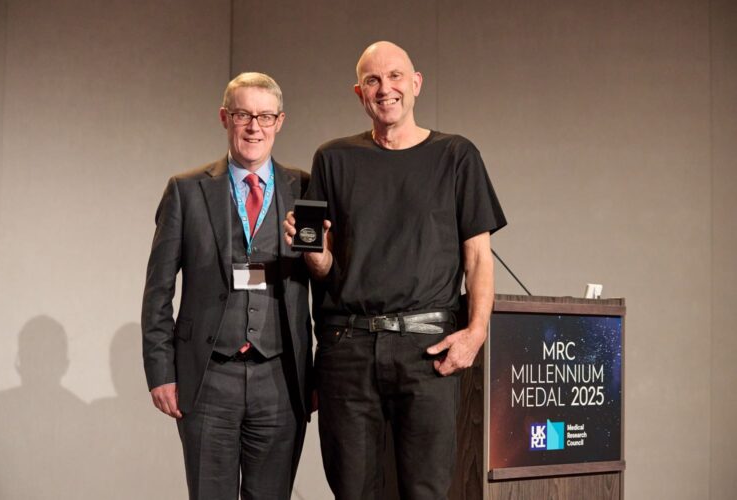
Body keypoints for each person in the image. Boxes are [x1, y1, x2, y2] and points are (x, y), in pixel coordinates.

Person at [284, 41, 507, 499]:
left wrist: (476, 333)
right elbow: (324, 268)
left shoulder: (456, 155)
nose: (385, 88)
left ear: (416, 83)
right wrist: (312, 252)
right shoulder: (333, 158)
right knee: (352, 490)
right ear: (359, 93)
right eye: (372, 80)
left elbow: (478, 258)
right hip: (348, 347)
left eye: (395, 76)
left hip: (426, 349)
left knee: (426, 490)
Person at [142, 72, 311, 500]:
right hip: (208, 379)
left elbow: (328, 289)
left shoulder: (306, 189)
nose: (254, 127)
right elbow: (158, 291)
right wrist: (161, 372)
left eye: (265, 116)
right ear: (224, 118)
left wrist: (320, 374)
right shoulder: (186, 191)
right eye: (242, 115)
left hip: (280, 379)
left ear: (280, 121)